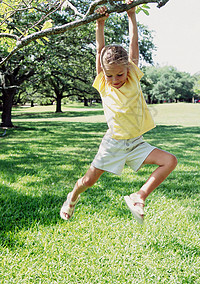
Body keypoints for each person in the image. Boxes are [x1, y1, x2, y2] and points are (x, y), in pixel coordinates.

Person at [60, 0, 177, 224]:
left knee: (170, 161)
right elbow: (99, 51)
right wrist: (99, 25)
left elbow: (134, 46)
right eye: (110, 75)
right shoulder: (104, 84)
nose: (115, 80)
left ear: (128, 70)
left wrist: (131, 14)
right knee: (88, 181)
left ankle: (139, 196)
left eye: (119, 75)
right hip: (113, 143)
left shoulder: (132, 76)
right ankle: (71, 198)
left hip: (136, 143)